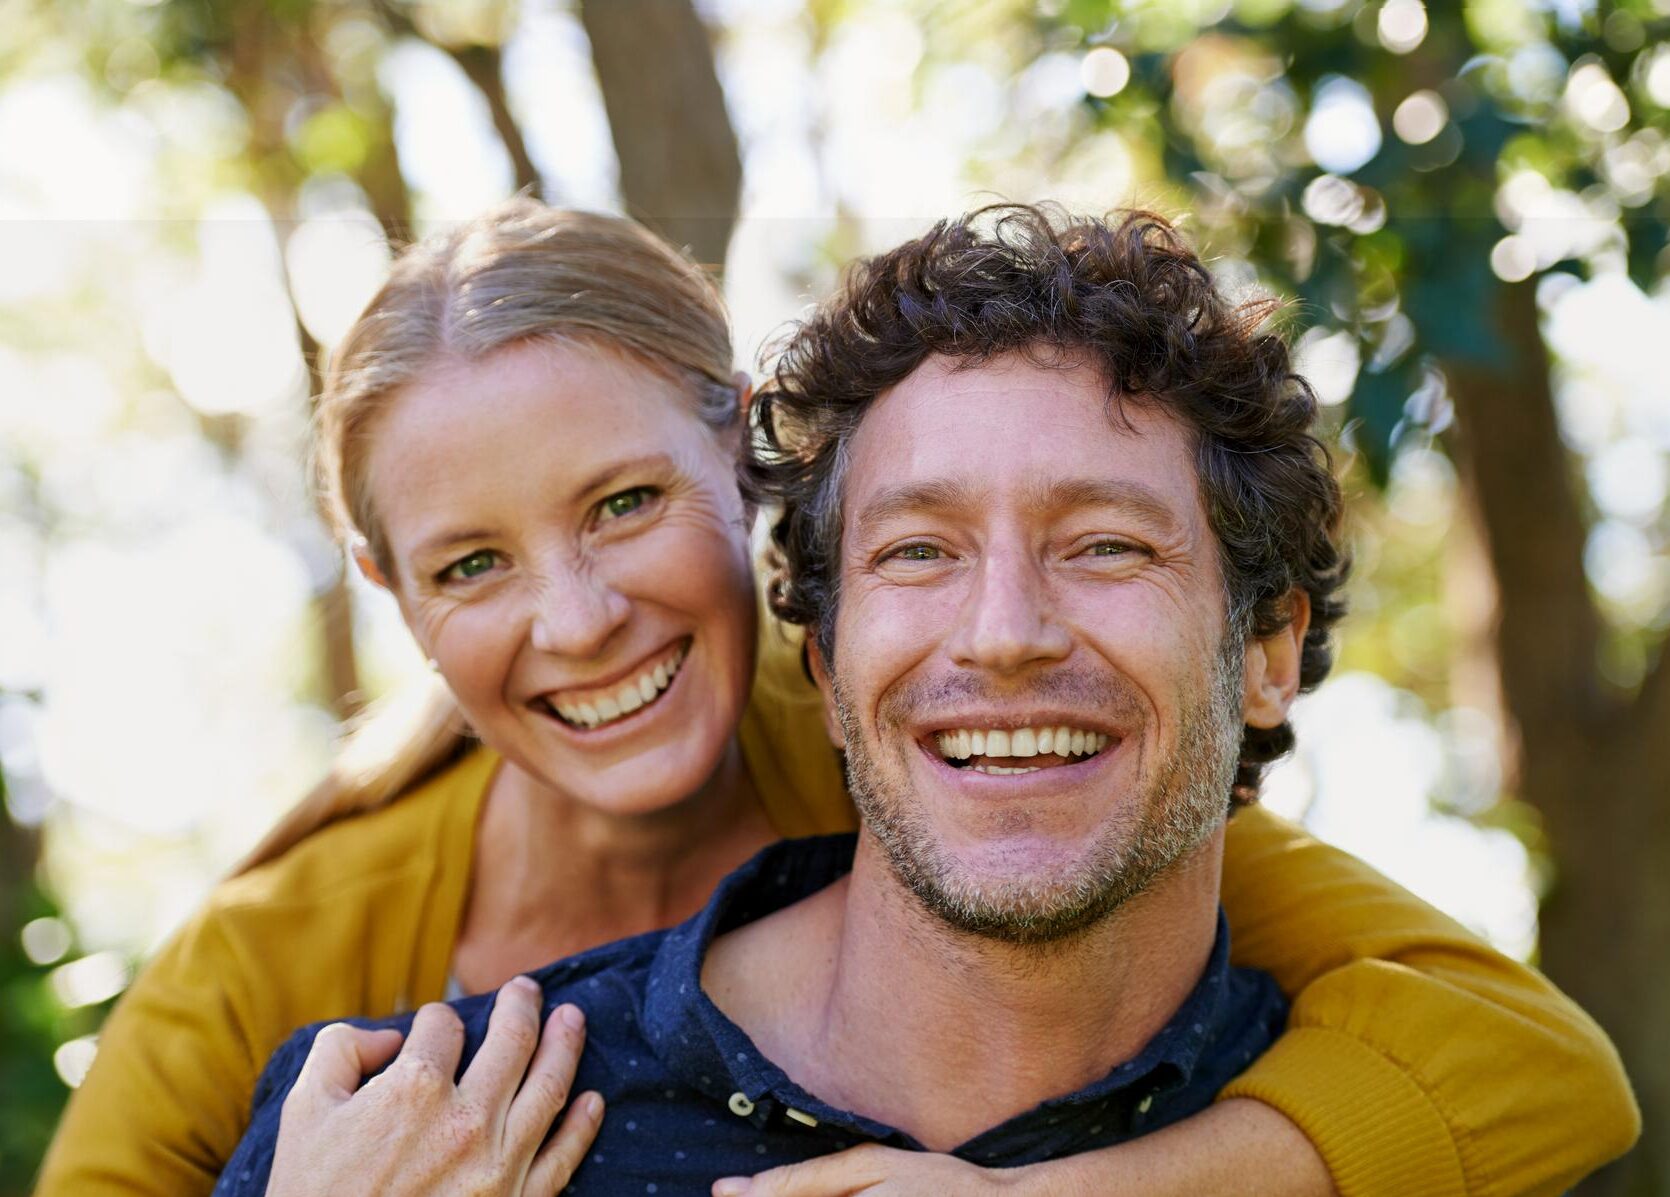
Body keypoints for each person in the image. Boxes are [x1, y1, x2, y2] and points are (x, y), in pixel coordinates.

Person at [202, 204, 1634, 1197]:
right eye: (918, 552)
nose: (1002, 635)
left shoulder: (1396, 1148)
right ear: (823, 666)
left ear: (1265, 652)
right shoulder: (404, 1127)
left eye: (1104, 545)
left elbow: (1560, 1073)